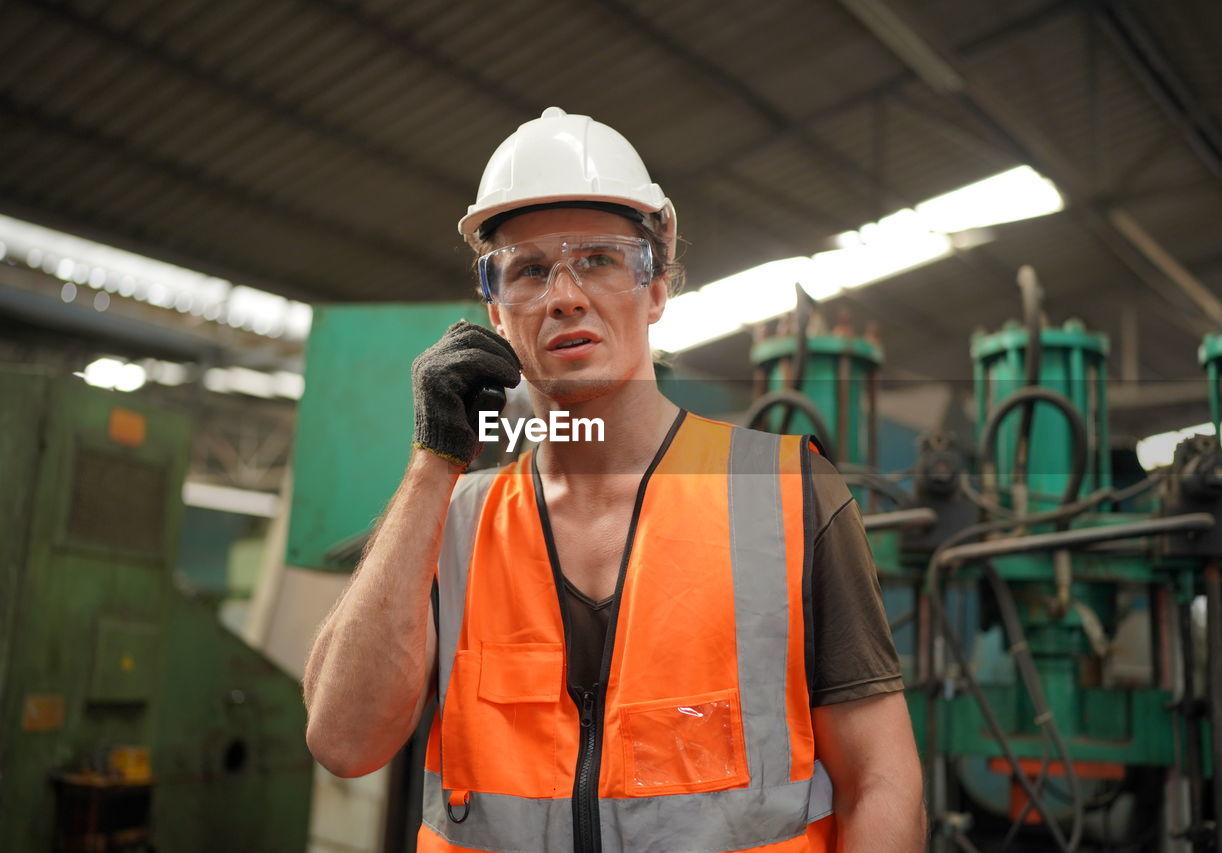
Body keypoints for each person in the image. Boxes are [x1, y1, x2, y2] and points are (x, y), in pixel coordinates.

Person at [303, 107, 925, 852]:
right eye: (529, 270)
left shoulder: (789, 494)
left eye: (599, 259)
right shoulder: (453, 520)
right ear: (495, 310)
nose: (565, 294)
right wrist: (434, 460)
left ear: (656, 288)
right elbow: (345, 741)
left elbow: (881, 780)